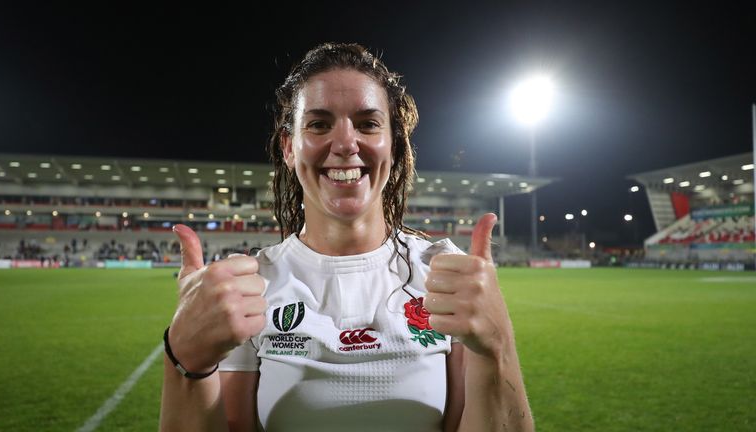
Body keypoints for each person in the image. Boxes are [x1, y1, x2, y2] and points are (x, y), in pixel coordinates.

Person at [160, 42, 533, 431]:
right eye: (319, 124)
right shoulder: (251, 286)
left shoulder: (442, 272)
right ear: (289, 148)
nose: (344, 144)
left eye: (368, 123)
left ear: (394, 144)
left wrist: (497, 348)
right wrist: (185, 360)